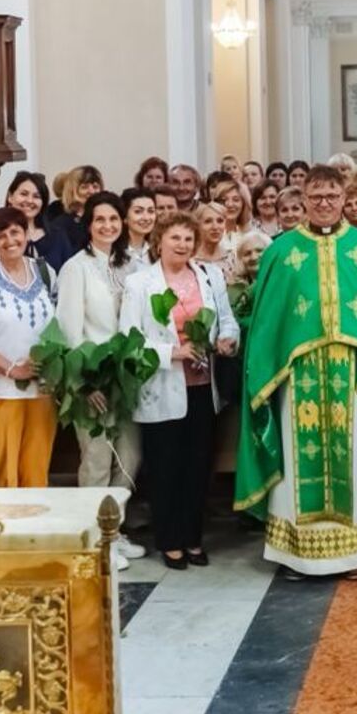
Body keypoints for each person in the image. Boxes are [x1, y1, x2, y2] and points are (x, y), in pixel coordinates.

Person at [235, 166, 357, 577]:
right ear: (304, 200)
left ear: (345, 199)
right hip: (296, 375)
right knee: (295, 458)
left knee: (356, 458)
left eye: (332, 196)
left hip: (352, 374)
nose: (324, 204)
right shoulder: (281, 251)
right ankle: (297, 554)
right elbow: (267, 321)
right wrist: (267, 368)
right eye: (316, 196)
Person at [124, 212, 241, 570]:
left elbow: (227, 319)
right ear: (159, 240)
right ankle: (169, 540)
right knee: (165, 468)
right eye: (175, 238)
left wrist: (227, 340)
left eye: (189, 239)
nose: (183, 245)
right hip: (161, 386)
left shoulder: (208, 276)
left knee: (197, 467)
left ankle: (192, 538)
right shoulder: (139, 283)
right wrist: (172, 353)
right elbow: (129, 340)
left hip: (204, 387)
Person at [57, 193, 144, 519]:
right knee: (97, 459)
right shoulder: (76, 268)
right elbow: (69, 331)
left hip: (128, 379)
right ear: (89, 225)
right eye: (100, 220)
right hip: (93, 380)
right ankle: (95, 536)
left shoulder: (135, 266)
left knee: (130, 457)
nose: (107, 226)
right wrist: (84, 383)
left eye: (113, 219)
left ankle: (114, 530)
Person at [0, 207, 59, 488]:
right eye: (0, 236)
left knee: (37, 470)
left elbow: (58, 325)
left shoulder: (45, 271)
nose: (9, 240)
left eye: (15, 232)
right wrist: (12, 369)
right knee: (4, 473)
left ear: (26, 234)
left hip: (43, 388)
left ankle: (36, 532)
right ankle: (6, 530)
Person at [0, 171, 74, 271]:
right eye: (24, 194)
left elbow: (70, 275)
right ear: (10, 197)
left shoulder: (58, 236)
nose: (29, 201)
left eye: (36, 196)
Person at [194, 202, 236, 277]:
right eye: (208, 221)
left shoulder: (231, 258)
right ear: (197, 226)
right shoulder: (189, 260)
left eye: (220, 221)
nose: (215, 227)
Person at [121, 187, 158, 269]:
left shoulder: (158, 250)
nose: (146, 218)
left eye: (151, 211)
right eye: (138, 211)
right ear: (125, 217)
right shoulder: (113, 251)